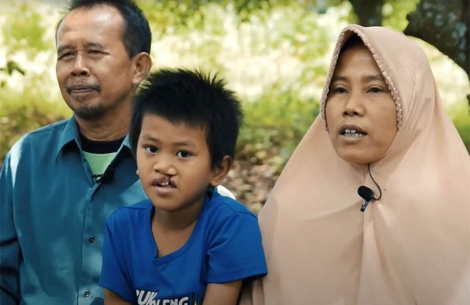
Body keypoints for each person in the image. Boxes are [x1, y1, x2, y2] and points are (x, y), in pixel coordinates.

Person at [0, 1, 233, 304]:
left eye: (94, 52)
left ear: (139, 67)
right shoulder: (26, 159)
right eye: (66, 54)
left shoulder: (182, 167)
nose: (78, 66)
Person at [241, 24, 470, 305]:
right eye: (339, 89)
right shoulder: (290, 207)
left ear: (412, 103)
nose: (351, 106)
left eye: (374, 89)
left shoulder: (458, 206)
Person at [98, 68, 267, 305]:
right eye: (152, 149)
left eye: (183, 153)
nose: (163, 166)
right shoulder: (122, 227)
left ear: (218, 169)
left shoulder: (231, 226)